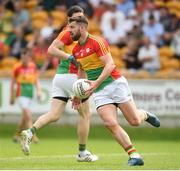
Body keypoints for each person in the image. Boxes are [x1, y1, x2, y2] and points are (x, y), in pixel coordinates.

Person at [68, 16, 160, 166]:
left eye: (72, 27)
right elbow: (81, 71)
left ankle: (144, 114)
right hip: (99, 91)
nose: (69, 31)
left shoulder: (97, 41)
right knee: (109, 123)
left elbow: (110, 65)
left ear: (82, 28)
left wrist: (95, 83)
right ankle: (134, 156)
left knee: (134, 121)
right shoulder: (76, 50)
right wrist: (78, 94)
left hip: (115, 83)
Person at [20, 6, 98, 162]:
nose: (80, 19)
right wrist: (70, 58)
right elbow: (51, 49)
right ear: (69, 19)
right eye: (76, 17)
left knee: (54, 114)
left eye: (82, 16)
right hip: (71, 76)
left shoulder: (74, 31)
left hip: (60, 77)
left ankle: (29, 132)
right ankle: (82, 153)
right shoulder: (69, 32)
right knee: (86, 114)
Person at [10, 48, 41, 143]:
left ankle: (16, 135)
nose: (24, 59)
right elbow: (13, 83)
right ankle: (33, 136)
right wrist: (11, 97)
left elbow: (36, 80)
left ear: (29, 57)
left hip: (30, 93)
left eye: (26, 57)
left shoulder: (33, 66)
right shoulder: (17, 67)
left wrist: (38, 91)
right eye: (22, 57)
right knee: (28, 115)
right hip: (21, 93)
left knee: (24, 117)